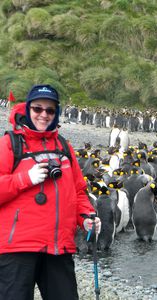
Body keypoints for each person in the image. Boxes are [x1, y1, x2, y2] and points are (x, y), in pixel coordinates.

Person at [0, 84, 101, 300]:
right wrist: (24, 178)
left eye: (50, 110)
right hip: (18, 247)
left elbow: (79, 191)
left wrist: (85, 218)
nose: (43, 115)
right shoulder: (10, 144)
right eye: (37, 108)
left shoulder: (64, 147)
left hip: (59, 246)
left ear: (56, 114)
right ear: (28, 109)